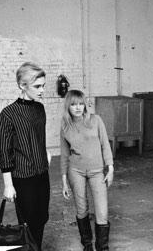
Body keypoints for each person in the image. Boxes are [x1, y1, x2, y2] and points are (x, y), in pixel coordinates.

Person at [0, 62, 50, 250]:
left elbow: (38, 139)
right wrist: (8, 185)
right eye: (37, 86)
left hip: (42, 174)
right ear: (22, 85)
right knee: (28, 224)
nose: (42, 90)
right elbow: (4, 152)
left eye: (43, 85)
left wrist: (46, 154)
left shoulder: (39, 109)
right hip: (23, 178)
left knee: (42, 218)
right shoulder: (8, 114)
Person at [60, 90, 114, 251]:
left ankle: (102, 247)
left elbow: (105, 144)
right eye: (73, 104)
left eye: (81, 104)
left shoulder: (95, 120)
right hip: (75, 171)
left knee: (102, 210)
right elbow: (64, 154)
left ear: (85, 105)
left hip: (98, 171)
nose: (77, 108)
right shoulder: (65, 126)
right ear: (68, 106)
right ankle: (87, 244)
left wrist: (110, 168)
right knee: (81, 208)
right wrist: (63, 181)